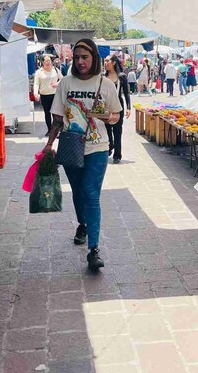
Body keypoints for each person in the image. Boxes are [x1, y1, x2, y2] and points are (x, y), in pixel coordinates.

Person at [44, 39, 122, 270]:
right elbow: (58, 119)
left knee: (90, 192)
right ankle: (83, 224)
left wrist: (107, 116)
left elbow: (116, 115)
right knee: (78, 192)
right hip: (71, 145)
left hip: (97, 147)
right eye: (76, 57)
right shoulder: (65, 83)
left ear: (94, 58)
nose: (80, 61)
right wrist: (49, 145)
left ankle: (94, 249)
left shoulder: (105, 84)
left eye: (84, 57)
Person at [104, 55, 131, 164]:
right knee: (106, 128)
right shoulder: (103, 77)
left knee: (118, 130)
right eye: (104, 61)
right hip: (106, 106)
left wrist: (129, 107)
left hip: (118, 105)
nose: (105, 63)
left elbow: (127, 93)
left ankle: (117, 155)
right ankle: (110, 145)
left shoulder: (122, 76)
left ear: (114, 62)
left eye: (107, 61)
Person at [34, 54, 63, 136]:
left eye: (49, 60)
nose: (48, 62)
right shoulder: (39, 72)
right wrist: (36, 93)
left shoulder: (55, 70)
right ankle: (49, 130)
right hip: (44, 95)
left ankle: (56, 131)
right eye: (46, 61)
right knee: (47, 113)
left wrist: (57, 84)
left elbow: (62, 79)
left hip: (54, 94)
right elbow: (36, 84)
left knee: (55, 113)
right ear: (42, 62)